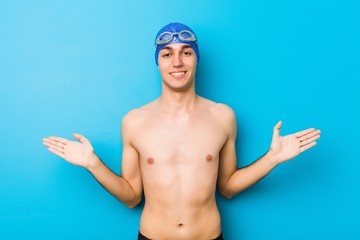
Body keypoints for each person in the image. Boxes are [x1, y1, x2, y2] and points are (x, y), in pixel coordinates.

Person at [42, 22, 321, 240]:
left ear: (196, 59)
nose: (177, 62)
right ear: (158, 61)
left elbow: (228, 188)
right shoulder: (134, 121)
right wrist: (93, 164)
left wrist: (271, 158)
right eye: (167, 54)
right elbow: (131, 198)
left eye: (186, 52)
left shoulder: (223, 116)